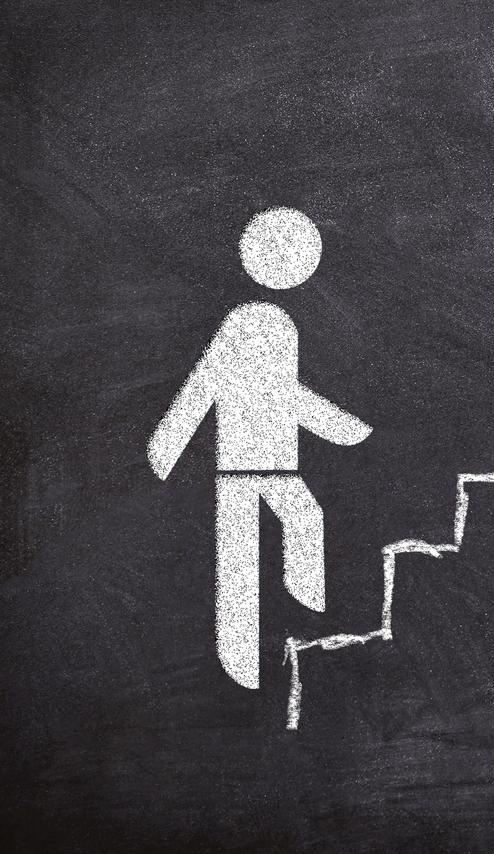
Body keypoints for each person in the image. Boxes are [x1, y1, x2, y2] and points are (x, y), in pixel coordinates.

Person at [148, 207, 370, 689]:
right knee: (243, 562)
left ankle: (300, 612)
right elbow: (210, 388)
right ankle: (242, 657)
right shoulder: (256, 326)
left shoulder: (265, 328)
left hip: (272, 463)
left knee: (300, 523)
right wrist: (344, 428)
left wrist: (166, 444)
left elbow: (263, 393)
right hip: (243, 467)